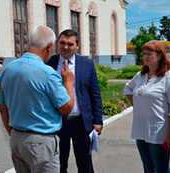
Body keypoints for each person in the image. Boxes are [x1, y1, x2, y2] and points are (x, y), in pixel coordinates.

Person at [0, 26, 75, 173]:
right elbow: (66, 108)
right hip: (41, 141)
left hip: (17, 138)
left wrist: (15, 134)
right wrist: (68, 82)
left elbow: (2, 108)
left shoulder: (8, 69)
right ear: (49, 47)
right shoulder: (47, 73)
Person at [47, 29, 103, 173]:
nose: (65, 47)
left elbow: (95, 93)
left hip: (81, 123)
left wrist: (97, 120)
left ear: (77, 45)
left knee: (84, 164)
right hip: (57, 122)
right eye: (62, 43)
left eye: (70, 44)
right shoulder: (49, 63)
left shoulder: (87, 64)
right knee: (58, 164)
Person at [124, 40, 170, 173]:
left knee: (160, 169)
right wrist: (138, 106)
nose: (145, 56)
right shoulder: (141, 75)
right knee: (148, 168)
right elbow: (128, 89)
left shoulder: (169, 78)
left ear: (160, 55)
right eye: (144, 53)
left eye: (149, 53)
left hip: (159, 131)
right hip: (141, 129)